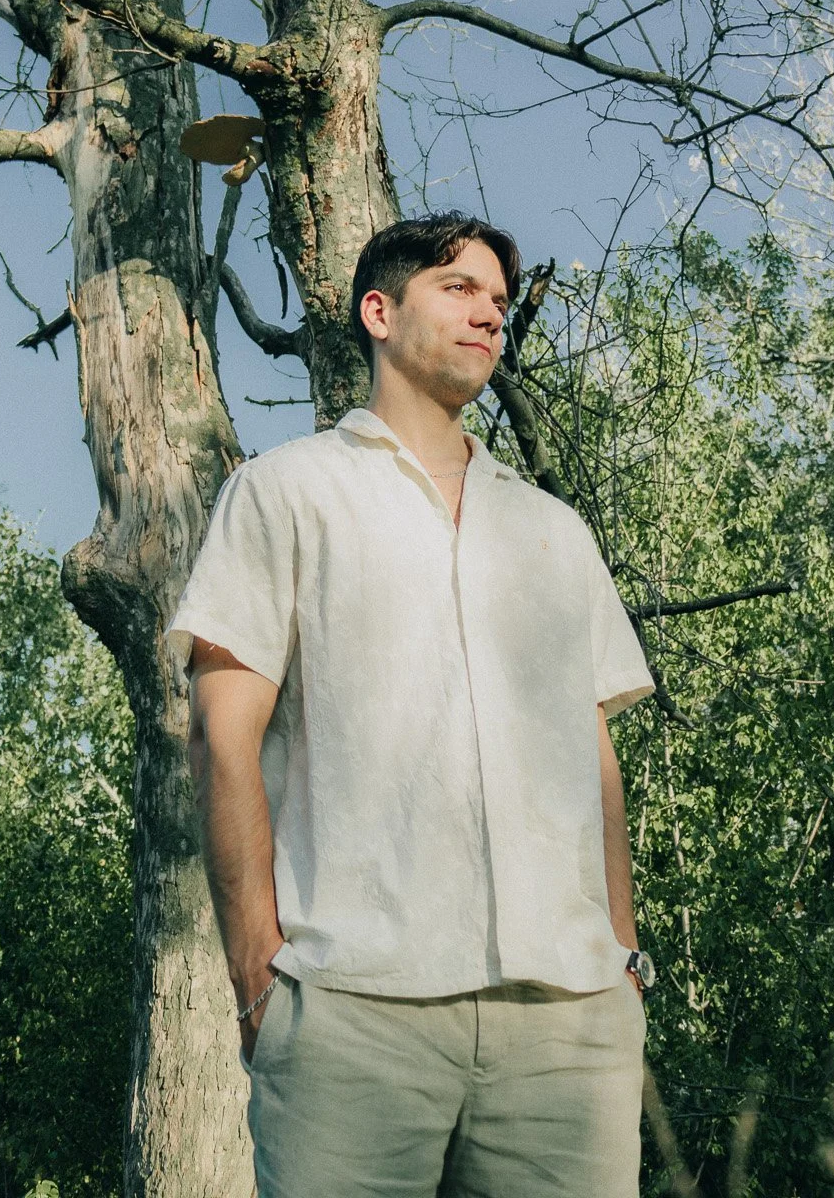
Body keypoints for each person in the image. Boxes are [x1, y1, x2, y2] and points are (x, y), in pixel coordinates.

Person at [168, 213, 656, 1198]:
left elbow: (593, 751)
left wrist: (623, 955)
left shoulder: (552, 526)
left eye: (500, 301)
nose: (489, 312)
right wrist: (259, 976)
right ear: (378, 311)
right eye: (460, 287)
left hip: (569, 1018)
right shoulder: (284, 491)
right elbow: (224, 736)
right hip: (351, 1012)